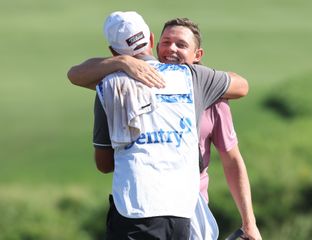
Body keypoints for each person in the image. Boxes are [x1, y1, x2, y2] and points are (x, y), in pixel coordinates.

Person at [68, 17, 261, 240]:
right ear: (153, 41)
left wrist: (250, 223)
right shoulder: (126, 81)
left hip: (186, 208)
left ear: (198, 56)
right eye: (166, 42)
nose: (171, 49)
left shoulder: (204, 87)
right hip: (171, 212)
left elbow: (232, 160)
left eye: (181, 44)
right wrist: (122, 63)